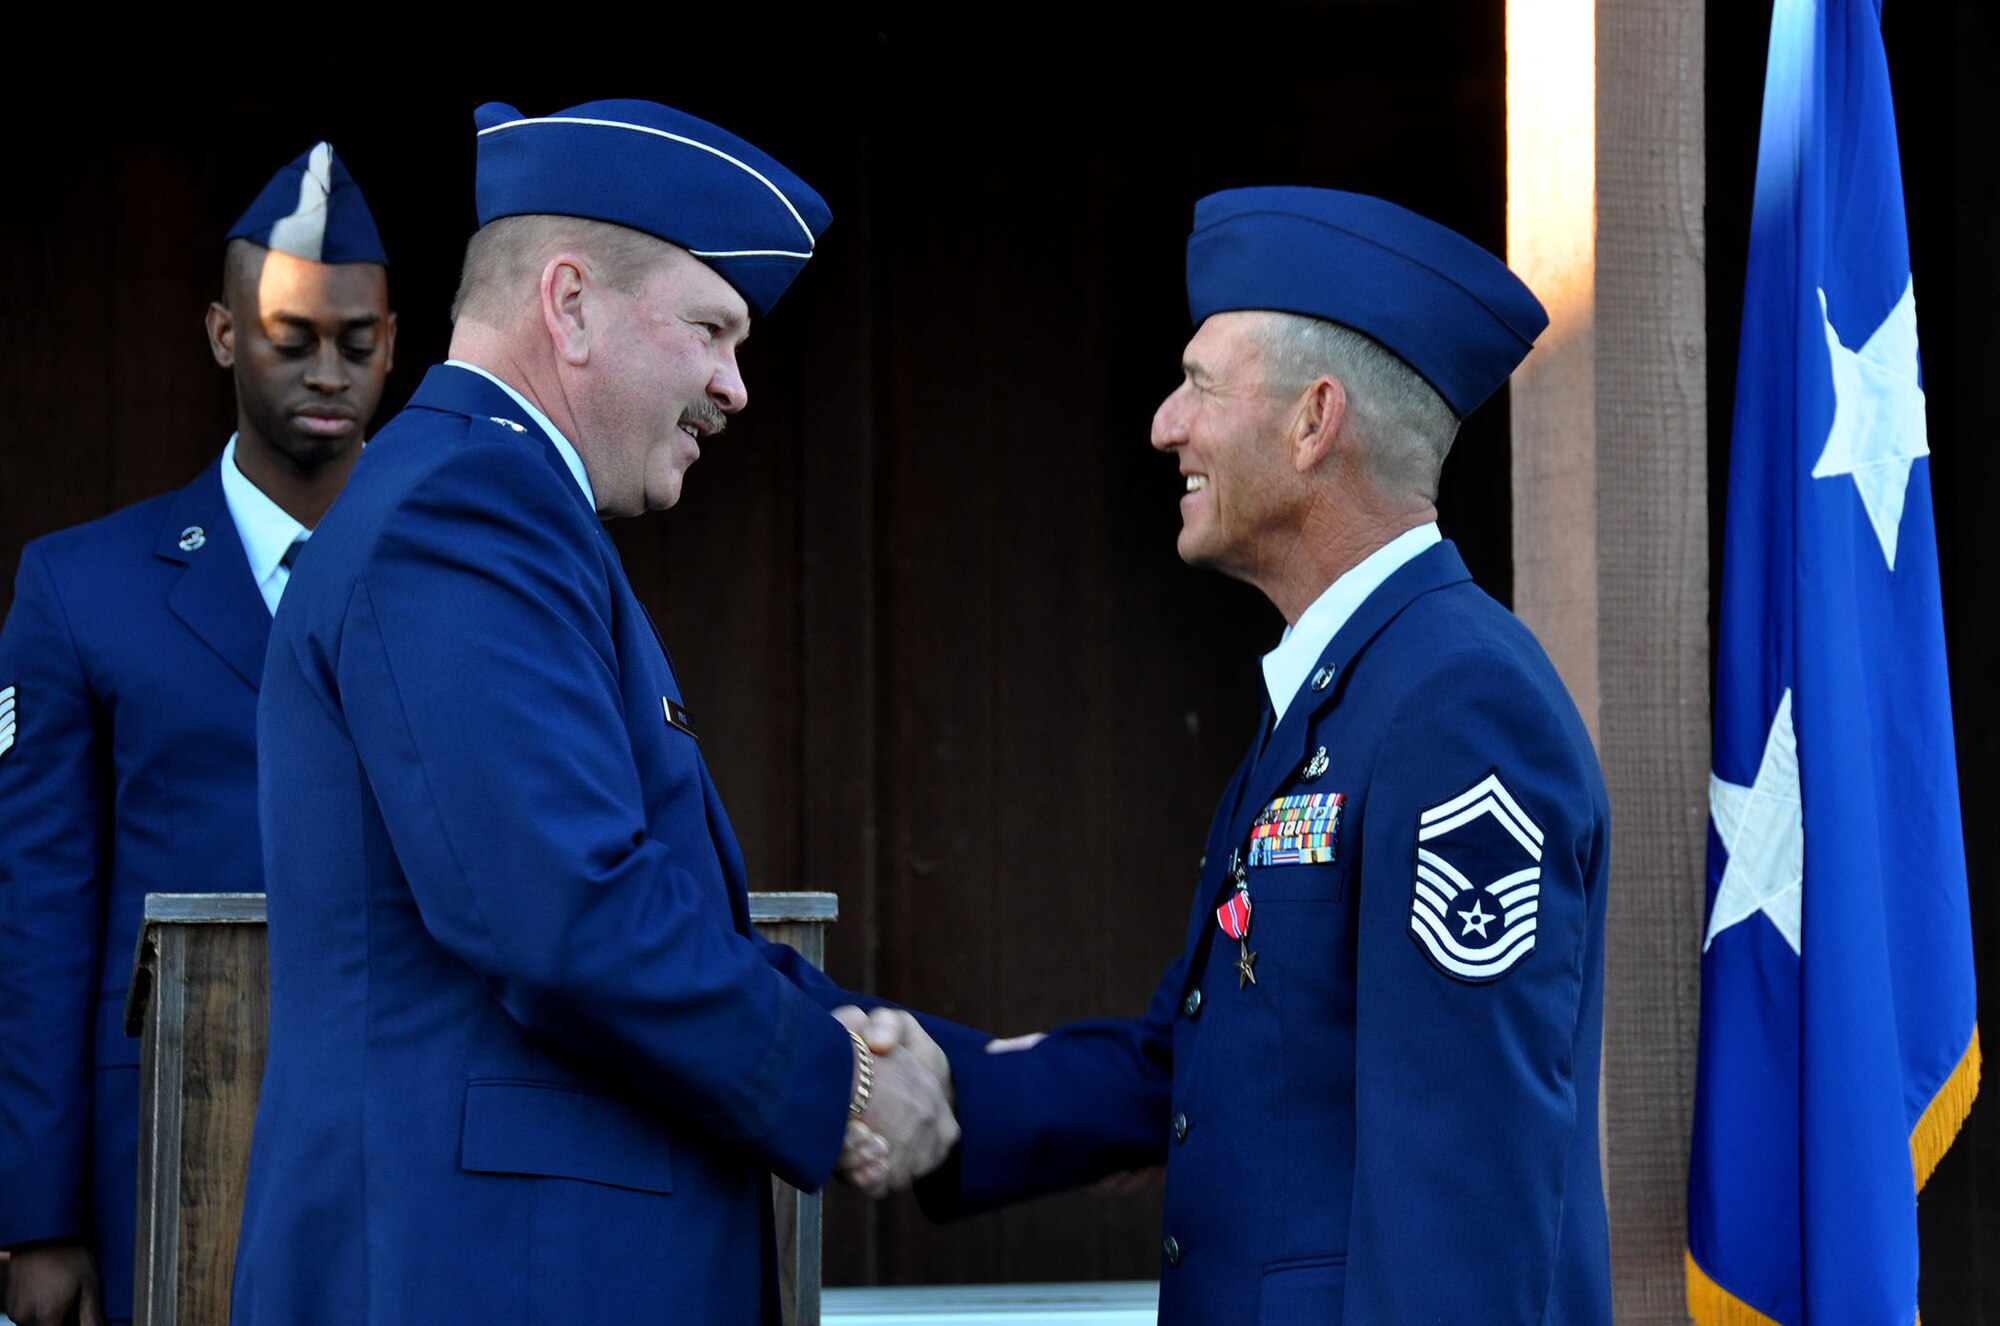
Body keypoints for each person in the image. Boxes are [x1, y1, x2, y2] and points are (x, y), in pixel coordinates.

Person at [230, 100, 956, 1325]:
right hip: (484, 1278)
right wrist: (838, 1078)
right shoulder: (467, 508)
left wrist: (909, 1057)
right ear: (567, 304)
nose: (733, 386)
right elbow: (565, 910)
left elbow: (618, 904)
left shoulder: (487, 499)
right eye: (711, 329)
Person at [889, 187, 1614, 1323]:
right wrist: (921, 1082)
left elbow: (1463, 1186)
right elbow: (1209, 1070)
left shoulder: (1454, 704)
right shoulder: (1347, 692)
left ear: (1313, 421)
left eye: (1200, 385)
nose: (1164, 425)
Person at [0, 143, 395, 1326]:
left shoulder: (460, 575)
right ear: (224, 335)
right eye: (290, 337)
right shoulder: (84, 587)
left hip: (413, 1152)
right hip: (169, 1153)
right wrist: (35, 1213)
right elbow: (38, 915)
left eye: (358, 342)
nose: (327, 370)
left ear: (393, 342)